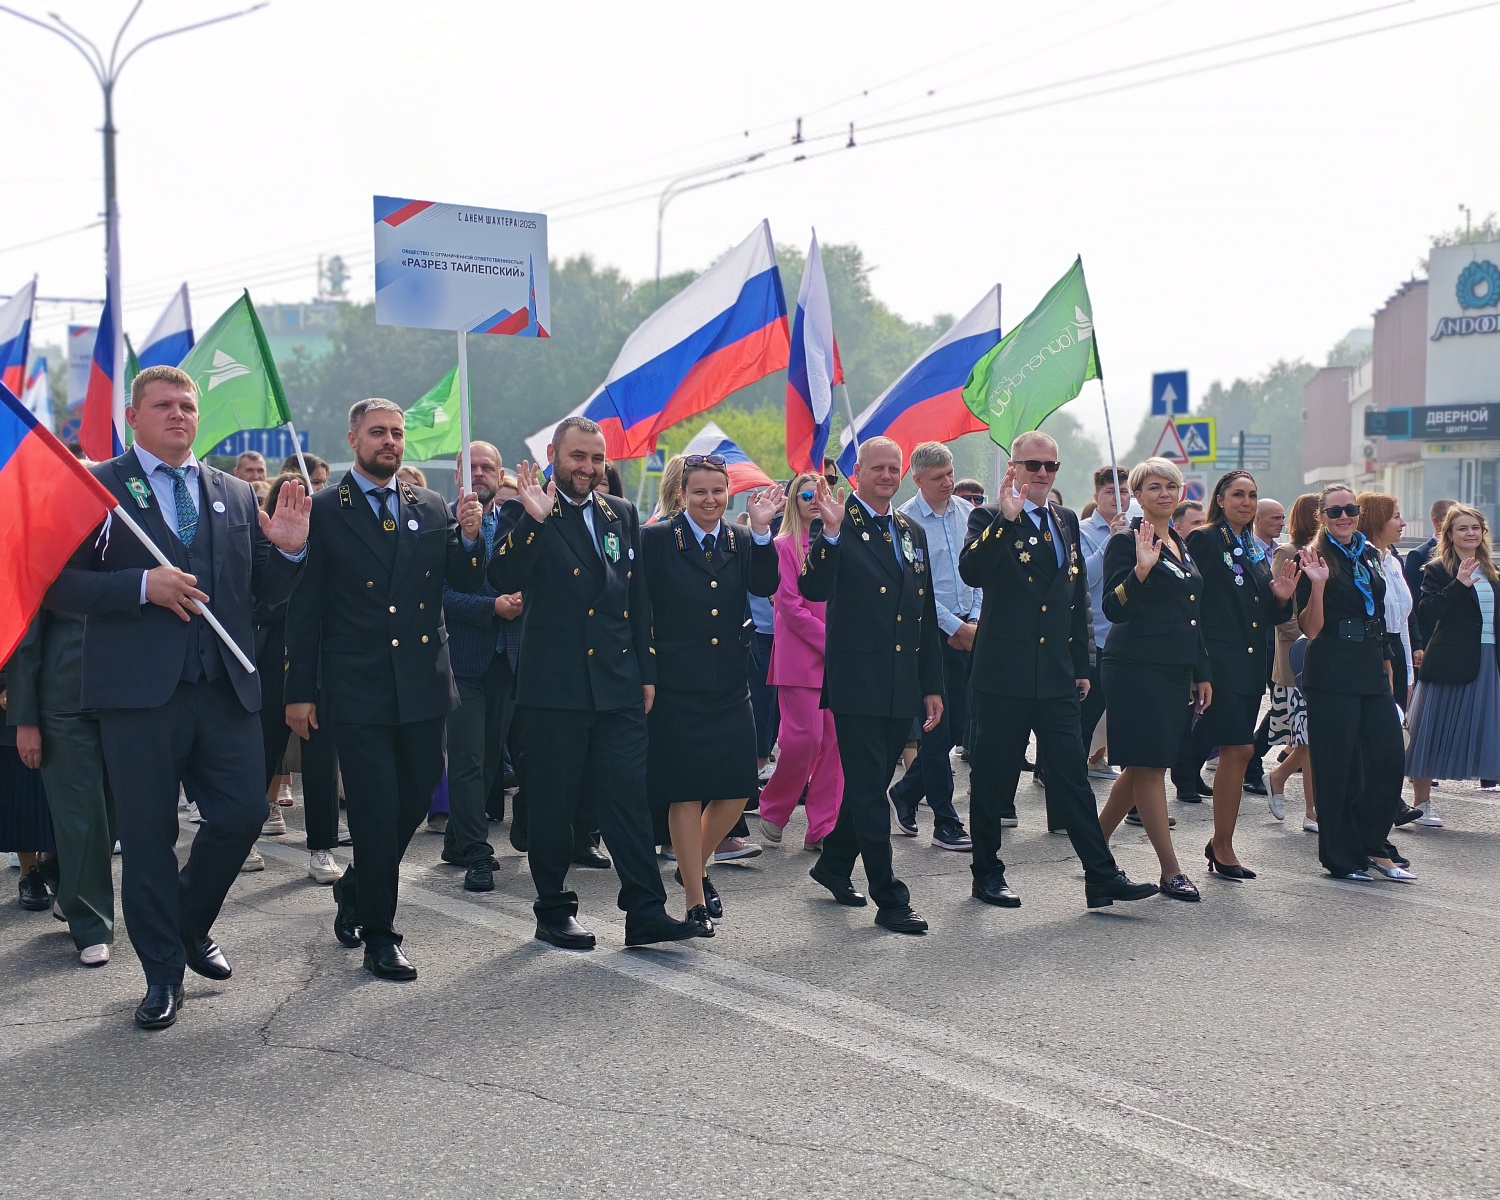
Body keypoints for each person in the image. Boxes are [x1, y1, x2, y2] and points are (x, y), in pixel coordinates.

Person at [46, 364, 310, 1028]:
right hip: (139, 697)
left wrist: (289, 554)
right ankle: (162, 974)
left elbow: (265, 595)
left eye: (188, 405)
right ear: (133, 417)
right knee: (147, 837)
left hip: (222, 689)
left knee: (242, 816)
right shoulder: (98, 488)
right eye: (163, 405)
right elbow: (61, 587)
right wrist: (141, 587)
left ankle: (188, 921)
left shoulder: (230, 490)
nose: (178, 415)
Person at [284, 398, 484, 981]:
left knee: (415, 797)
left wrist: (470, 539)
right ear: (353, 439)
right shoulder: (326, 509)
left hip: (423, 680)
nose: (390, 441)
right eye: (378, 432)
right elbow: (305, 611)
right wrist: (301, 690)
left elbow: (462, 580)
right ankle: (381, 934)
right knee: (373, 811)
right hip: (358, 682)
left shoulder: (429, 503)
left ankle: (356, 886)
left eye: (397, 433)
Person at [489, 416, 695, 950]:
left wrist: (646, 674)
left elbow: (638, 601)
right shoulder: (527, 507)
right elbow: (502, 578)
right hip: (554, 686)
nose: (587, 467)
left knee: (628, 797)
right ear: (556, 454)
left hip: (617, 682)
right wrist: (534, 523)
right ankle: (554, 908)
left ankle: (645, 910)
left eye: (596, 459)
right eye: (578, 457)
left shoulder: (619, 513)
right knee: (554, 802)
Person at [959, 435, 1158, 911]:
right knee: (993, 778)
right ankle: (986, 872)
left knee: (1070, 776)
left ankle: (1101, 875)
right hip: (1003, 673)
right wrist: (1005, 521)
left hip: (1054, 674)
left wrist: (1081, 660)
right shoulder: (989, 516)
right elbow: (972, 571)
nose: (1043, 473)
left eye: (1051, 464)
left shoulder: (1064, 520)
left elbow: (1073, 600)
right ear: (1014, 467)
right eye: (1033, 464)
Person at [797, 436, 940, 935]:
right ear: (858, 472)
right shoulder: (837, 521)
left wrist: (932, 685)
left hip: (901, 680)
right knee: (867, 790)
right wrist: (830, 536)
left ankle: (834, 863)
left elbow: (923, 615)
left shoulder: (909, 530)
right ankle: (890, 897)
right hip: (858, 680)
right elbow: (812, 587)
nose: (886, 475)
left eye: (893, 468)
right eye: (876, 467)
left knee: (871, 785)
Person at [640, 457, 782, 932]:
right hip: (676, 683)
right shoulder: (658, 539)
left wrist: (762, 534)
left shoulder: (741, 540)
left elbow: (766, 585)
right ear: (682, 494)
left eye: (718, 491)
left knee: (737, 788)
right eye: (700, 492)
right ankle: (695, 903)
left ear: (729, 493)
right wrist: (645, 673)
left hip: (728, 683)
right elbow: (639, 610)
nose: (710, 500)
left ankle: (690, 867)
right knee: (684, 794)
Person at [1095, 458, 1211, 901]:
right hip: (1135, 667)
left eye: (1171, 486)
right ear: (1137, 496)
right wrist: (1141, 570)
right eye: (1154, 487)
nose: (1164, 493)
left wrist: (1201, 671)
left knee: (1145, 763)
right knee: (1151, 767)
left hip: (1174, 667)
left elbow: (1192, 615)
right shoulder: (1126, 541)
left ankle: (1095, 845)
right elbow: (1114, 608)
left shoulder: (1182, 542)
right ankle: (1170, 869)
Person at [1184, 471, 1299, 879]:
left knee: (1237, 750)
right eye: (1238, 495)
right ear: (1220, 498)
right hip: (1219, 661)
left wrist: (1282, 600)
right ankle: (1223, 844)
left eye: (1252, 495)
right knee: (1241, 749)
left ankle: (1220, 842)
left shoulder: (1252, 546)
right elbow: (1191, 606)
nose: (1247, 502)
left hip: (1250, 663)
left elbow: (1266, 611)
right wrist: (1200, 667)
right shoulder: (1206, 538)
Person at [1295, 485, 1409, 882]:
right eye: (1335, 511)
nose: (1344, 517)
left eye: (1350, 509)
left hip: (1371, 664)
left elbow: (1376, 612)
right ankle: (1341, 856)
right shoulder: (1311, 556)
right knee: (1336, 767)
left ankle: (1371, 841)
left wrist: (1388, 666)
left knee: (1390, 759)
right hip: (1331, 667)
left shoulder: (1368, 553)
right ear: (1322, 516)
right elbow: (1310, 629)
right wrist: (1320, 584)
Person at [7, 599, 115, 962]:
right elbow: (26, 635)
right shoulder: (50, 547)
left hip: (127, 695)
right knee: (79, 816)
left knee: (116, 815)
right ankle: (91, 925)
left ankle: (71, 885)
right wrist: (25, 719)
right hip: (64, 701)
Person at [255, 474, 344, 884]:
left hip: (320, 656)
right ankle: (244, 834)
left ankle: (322, 846)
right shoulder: (264, 539)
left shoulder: (332, 533)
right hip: (272, 658)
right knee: (264, 751)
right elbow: (262, 599)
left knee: (321, 754)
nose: (313, 496)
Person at [440, 441, 519, 893]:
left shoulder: (511, 524)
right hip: (462, 659)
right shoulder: (439, 525)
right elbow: (441, 599)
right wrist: (494, 607)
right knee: (467, 759)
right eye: (472, 467)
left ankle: (456, 841)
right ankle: (477, 852)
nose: (481, 473)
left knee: (490, 761)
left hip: (505, 659)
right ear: (457, 477)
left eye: (488, 467)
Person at [888, 441, 976, 850]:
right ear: (918, 479)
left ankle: (906, 792)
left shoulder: (967, 513)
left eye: (950, 474)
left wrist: (973, 620)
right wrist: (952, 625)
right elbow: (915, 586)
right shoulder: (903, 521)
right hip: (932, 634)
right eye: (938, 477)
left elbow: (977, 572)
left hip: (972, 629)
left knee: (961, 725)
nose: (948, 482)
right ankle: (945, 819)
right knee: (937, 730)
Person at [758, 473, 843, 850]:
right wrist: (832, 643)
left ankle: (822, 826)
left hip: (837, 660)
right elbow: (790, 607)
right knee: (803, 739)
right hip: (800, 657)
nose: (813, 499)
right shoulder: (782, 547)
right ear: (793, 499)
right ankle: (774, 808)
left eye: (820, 493)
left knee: (835, 742)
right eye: (806, 494)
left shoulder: (839, 543)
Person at [1405, 505, 1500, 811]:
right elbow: (1427, 613)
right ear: (1449, 534)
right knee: (1432, 731)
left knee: (1489, 728)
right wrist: (1458, 584)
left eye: (1475, 528)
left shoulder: (1491, 570)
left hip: (1489, 659)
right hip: (1451, 659)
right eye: (1462, 528)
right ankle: (1422, 803)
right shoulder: (1437, 569)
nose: (1470, 533)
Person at [1268, 494, 1321, 831]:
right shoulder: (1287, 553)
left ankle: (1278, 776)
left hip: (1328, 656)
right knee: (1309, 737)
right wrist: (1308, 633)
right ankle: (1313, 811)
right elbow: (1281, 608)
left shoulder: (1327, 553)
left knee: (1313, 737)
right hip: (1298, 657)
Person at [1078, 466, 1131, 775]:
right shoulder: (1082, 530)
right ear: (1097, 496)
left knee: (1125, 719)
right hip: (1095, 637)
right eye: (1111, 492)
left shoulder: (1137, 529)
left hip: (1126, 637)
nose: (1118, 498)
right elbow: (1084, 579)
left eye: (1124, 492)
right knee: (1087, 714)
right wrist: (1110, 541)